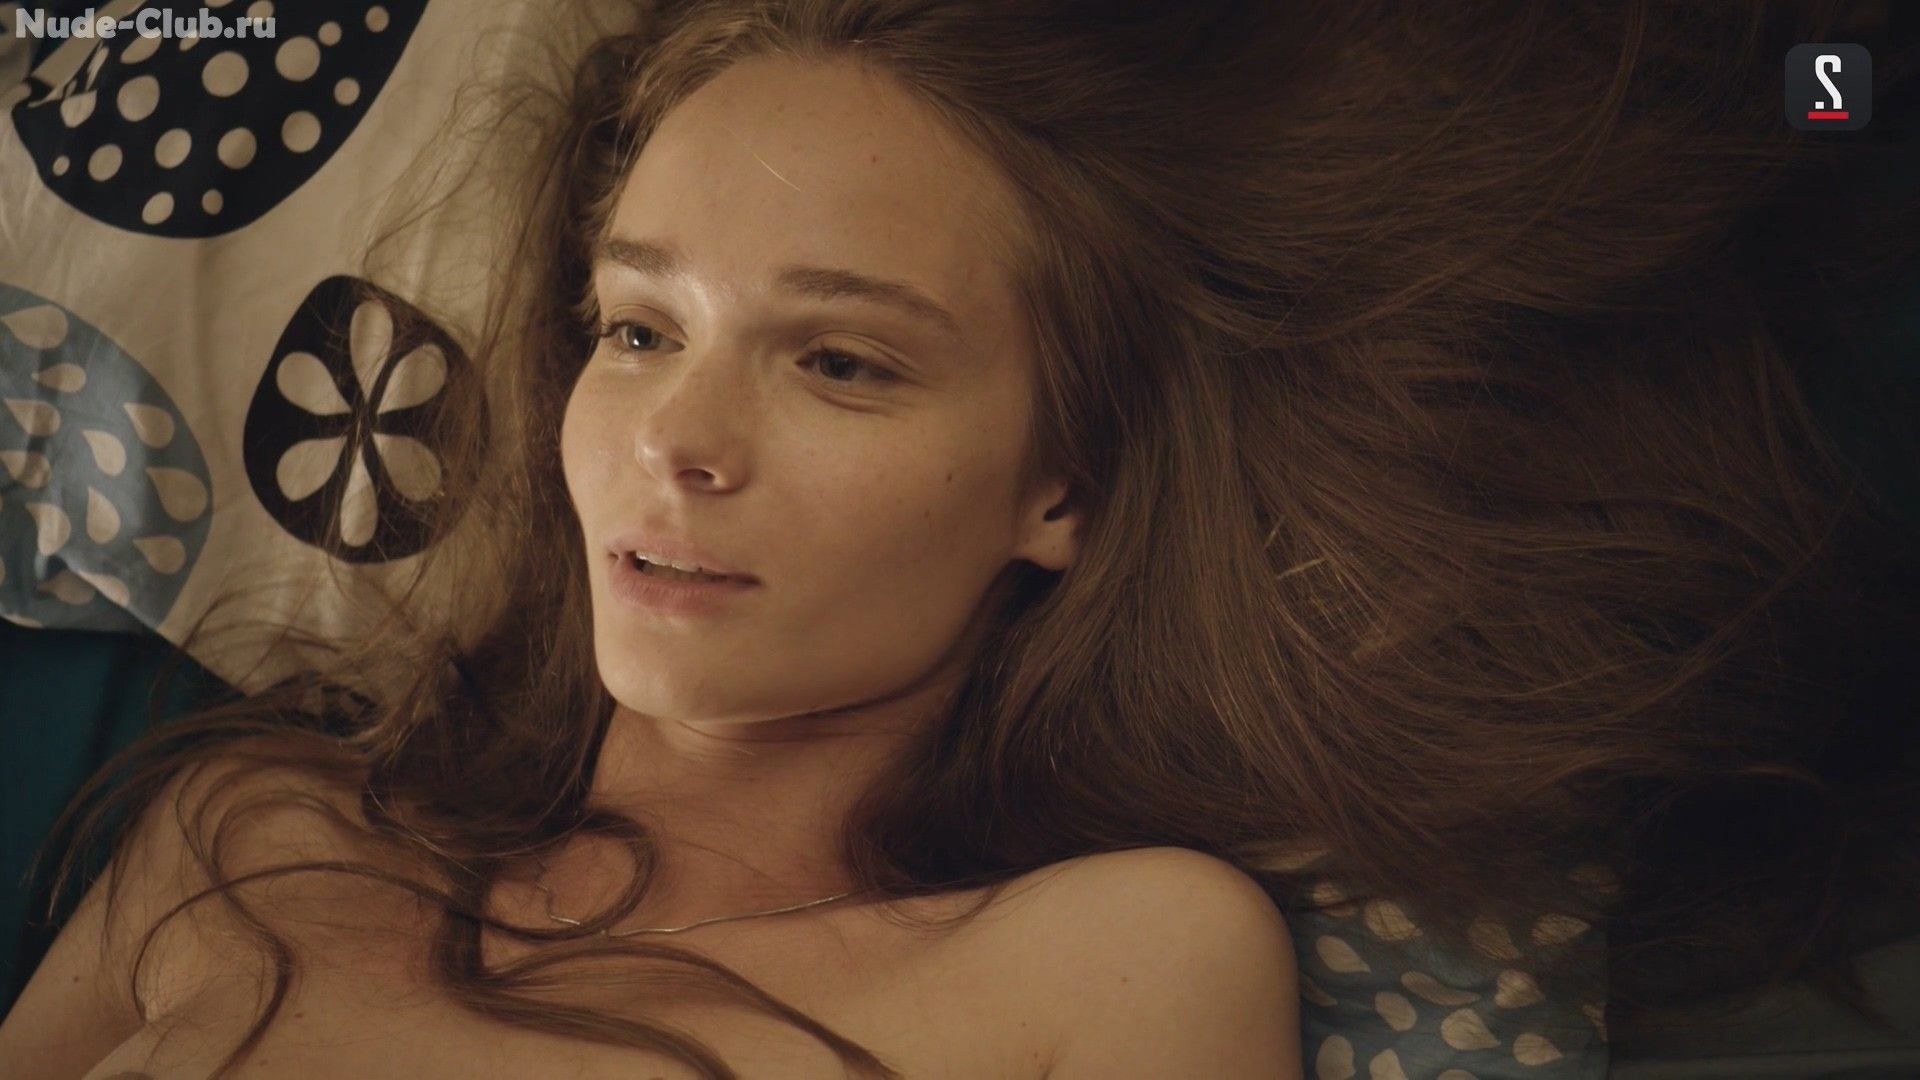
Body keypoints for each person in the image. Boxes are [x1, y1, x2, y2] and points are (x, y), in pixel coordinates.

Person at [4, 0, 1917, 1076]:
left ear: (1059, 491)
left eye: (841, 362)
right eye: (639, 328)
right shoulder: (244, 827)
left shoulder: (1113, 965)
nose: (676, 441)